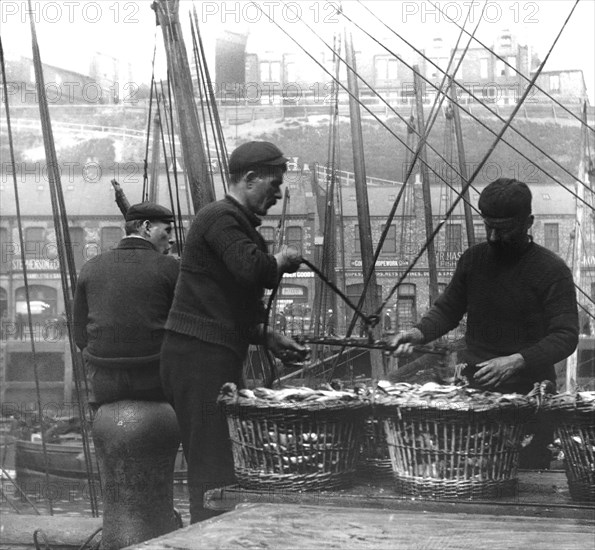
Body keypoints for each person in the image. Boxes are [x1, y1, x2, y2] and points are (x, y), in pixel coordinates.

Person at [160, 141, 309, 523]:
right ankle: (206, 539)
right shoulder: (218, 218)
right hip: (197, 356)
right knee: (211, 462)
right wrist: (280, 259)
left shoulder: (239, 227)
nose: (277, 194)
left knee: (223, 458)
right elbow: (249, 269)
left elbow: (235, 300)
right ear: (250, 178)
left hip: (211, 354)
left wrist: (267, 335)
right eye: (273, 184)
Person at [389, 178, 579, 469]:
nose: (492, 237)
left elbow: (565, 335)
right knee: (468, 467)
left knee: (525, 475)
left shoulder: (551, 270)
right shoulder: (473, 260)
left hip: (529, 395)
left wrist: (517, 361)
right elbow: (447, 310)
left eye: (503, 229)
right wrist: (416, 333)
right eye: (488, 226)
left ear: (528, 222)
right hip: (473, 391)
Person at [73, 202, 179, 406]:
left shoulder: (90, 267)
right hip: (155, 380)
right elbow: (183, 328)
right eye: (167, 230)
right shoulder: (170, 267)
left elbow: (79, 334)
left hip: (104, 382)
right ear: (146, 227)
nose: (171, 238)